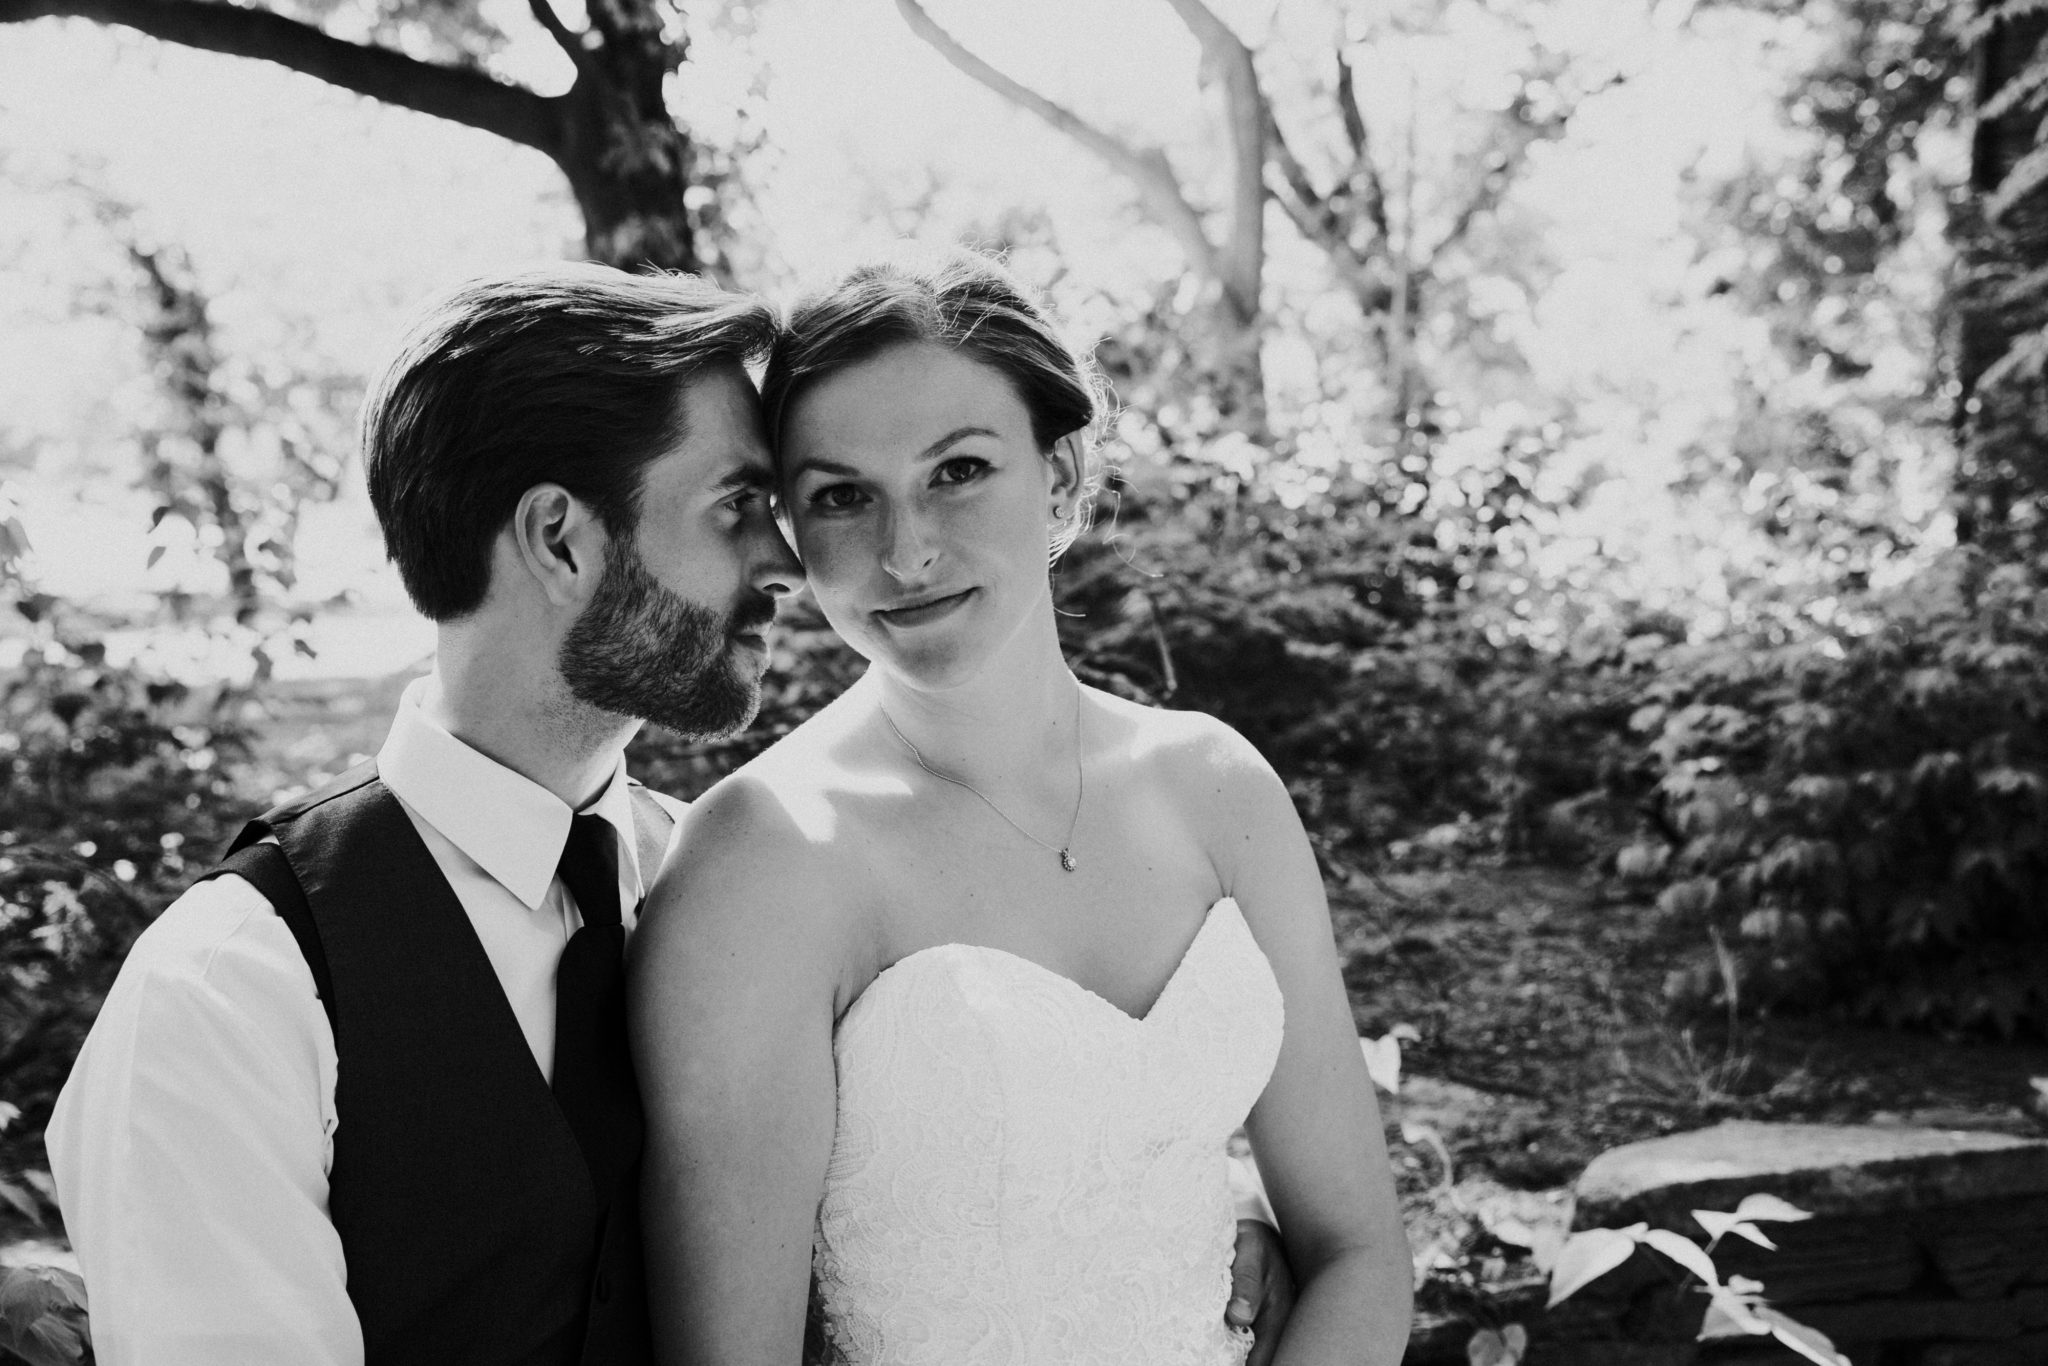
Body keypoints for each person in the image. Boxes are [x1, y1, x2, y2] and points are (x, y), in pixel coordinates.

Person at [45, 260, 1295, 1366]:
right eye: (736, 507)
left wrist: (1200, 1225)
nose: (785, 561)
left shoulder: (713, 873)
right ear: (560, 538)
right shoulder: (230, 998)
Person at [630, 249, 1413, 1366]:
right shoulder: (767, 857)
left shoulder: (1217, 788)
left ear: (1055, 476)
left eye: (957, 471)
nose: (907, 550)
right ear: (791, 535)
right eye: (841, 496)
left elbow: (1357, 1254)